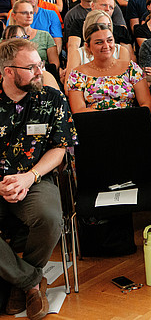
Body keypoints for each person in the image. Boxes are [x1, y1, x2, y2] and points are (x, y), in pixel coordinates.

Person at [0, 39, 76, 320]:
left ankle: (19, 282)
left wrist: (29, 177)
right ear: (9, 71)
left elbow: (60, 148)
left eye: (40, 65)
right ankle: (30, 283)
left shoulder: (51, 98)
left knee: (49, 217)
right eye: (31, 67)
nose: (39, 71)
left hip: (35, 178)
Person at [65, 22, 151, 113]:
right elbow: (78, 110)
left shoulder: (131, 69)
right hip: (94, 123)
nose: (106, 46)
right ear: (88, 47)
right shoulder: (78, 74)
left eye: (109, 40)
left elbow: (146, 104)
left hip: (128, 121)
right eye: (99, 42)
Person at [8, 1, 58, 72]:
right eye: (24, 13)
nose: (29, 15)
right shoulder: (7, 37)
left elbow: (55, 64)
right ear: (14, 15)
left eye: (31, 12)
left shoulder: (45, 35)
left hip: (43, 75)